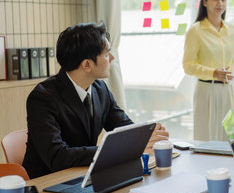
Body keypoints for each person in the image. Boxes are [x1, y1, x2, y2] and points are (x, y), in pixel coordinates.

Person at [23, 22, 169, 179]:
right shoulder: (42, 98)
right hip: (48, 183)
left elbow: (123, 127)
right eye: (106, 54)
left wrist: (145, 135)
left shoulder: (100, 88)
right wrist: (115, 150)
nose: (112, 58)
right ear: (87, 65)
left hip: (85, 175)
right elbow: (57, 157)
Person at [183, 0, 234, 141]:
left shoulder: (233, 30)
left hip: (228, 91)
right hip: (206, 92)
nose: (220, 3)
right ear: (204, 2)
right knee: (206, 139)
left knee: (229, 140)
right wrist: (213, 73)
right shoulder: (195, 31)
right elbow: (187, 66)